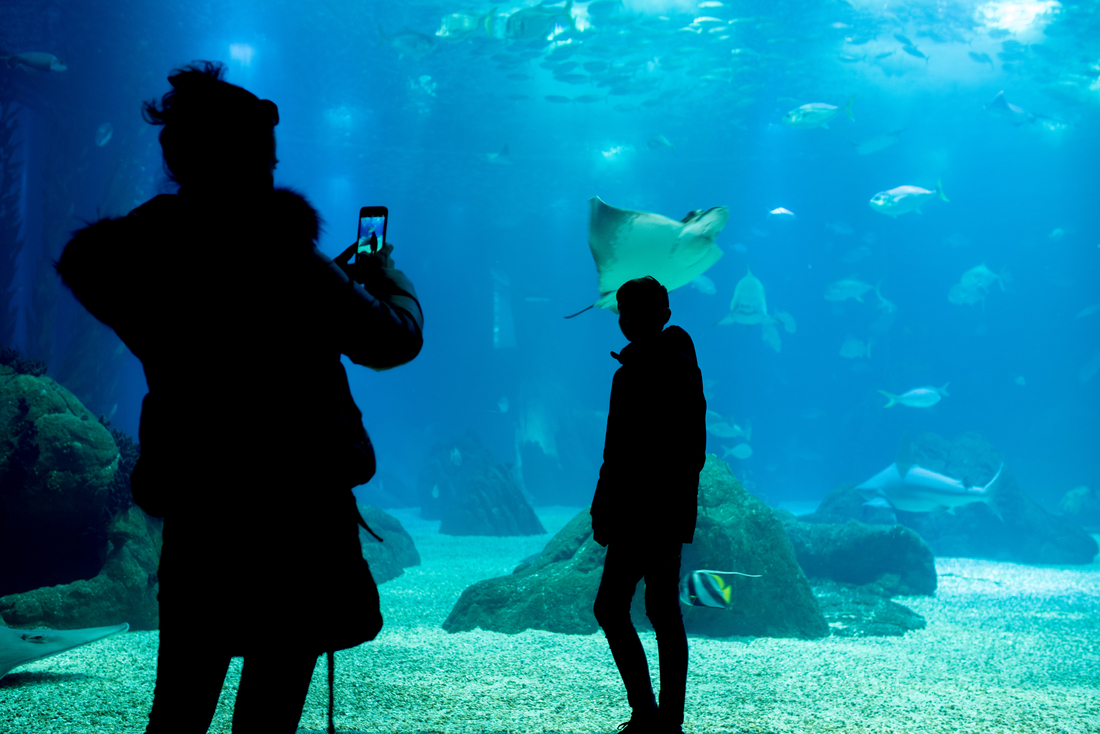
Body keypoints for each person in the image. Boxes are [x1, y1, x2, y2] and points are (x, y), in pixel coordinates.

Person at [55, 61, 423, 733]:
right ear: (252, 153)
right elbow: (391, 342)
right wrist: (386, 278)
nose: (274, 164)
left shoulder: (143, 257)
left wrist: (321, 286)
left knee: (180, 705)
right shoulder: (281, 253)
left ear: (179, 157)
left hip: (202, 509)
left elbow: (211, 306)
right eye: (266, 152)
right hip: (294, 514)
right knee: (270, 708)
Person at [590, 276, 706, 734]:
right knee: (662, 611)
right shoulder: (683, 366)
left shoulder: (637, 373)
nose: (624, 320)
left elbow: (618, 455)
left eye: (630, 311)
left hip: (641, 515)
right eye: (622, 311)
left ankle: (647, 713)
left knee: (611, 607)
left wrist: (606, 508)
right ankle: (668, 723)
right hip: (669, 512)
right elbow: (692, 451)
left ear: (653, 316)